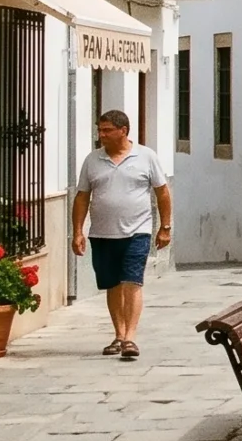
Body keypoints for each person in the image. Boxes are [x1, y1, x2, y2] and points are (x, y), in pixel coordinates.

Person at [70, 110, 170, 362]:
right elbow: (82, 196)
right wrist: (77, 231)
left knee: (132, 281)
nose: (101, 135)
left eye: (106, 130)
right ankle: (119, 333)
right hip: (102, 234)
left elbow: (162, 193)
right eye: (99, 130)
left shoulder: (146, 157)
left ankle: (130, 338)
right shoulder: (92, 160)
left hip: (137, 231)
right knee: (112, 284)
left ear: (123, 130)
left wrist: (165, 227)